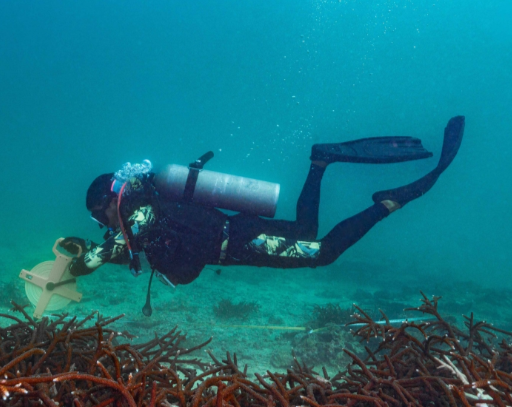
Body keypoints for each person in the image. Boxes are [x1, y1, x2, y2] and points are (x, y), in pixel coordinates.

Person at [59, 116, 464, 300]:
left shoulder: (139, 212)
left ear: (107, 203)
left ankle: (386, 205)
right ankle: (319, 162)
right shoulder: (143, 212)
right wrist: (91, 253)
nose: (104, 225)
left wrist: (74, 267)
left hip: (242, 241)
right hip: (239, 232)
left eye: (101, 217)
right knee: (307, 229)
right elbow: (127, 249)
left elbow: (106, 253)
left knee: (322, 253)